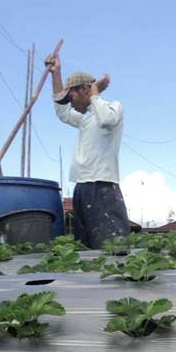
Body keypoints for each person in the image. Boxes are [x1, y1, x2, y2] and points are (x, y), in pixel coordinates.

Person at [45, 53, 129, 249]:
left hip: (103, 186)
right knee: (86, 246)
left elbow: (107, 120)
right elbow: (62, 111)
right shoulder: (85, 119)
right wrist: (55, 74)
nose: (71, 102)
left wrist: (95, 93)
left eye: (72, 96)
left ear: (84, 90)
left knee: (110, 245)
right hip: (81, 187)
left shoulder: (112, 107)